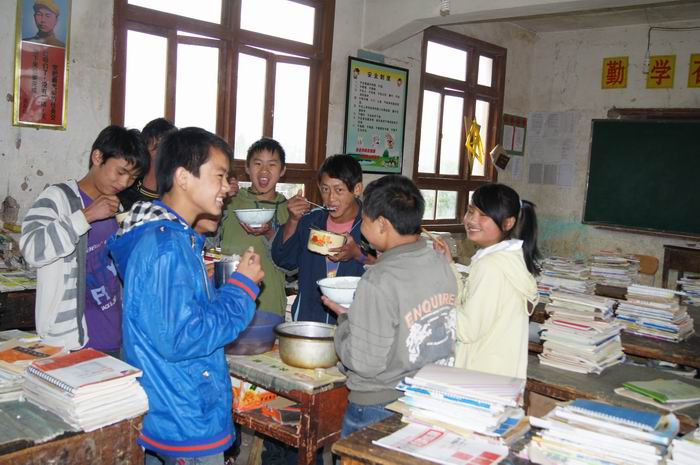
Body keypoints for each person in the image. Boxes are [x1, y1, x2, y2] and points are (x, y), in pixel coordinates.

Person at [108, 127, 264, 465]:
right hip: (184, 415)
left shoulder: (175, 238)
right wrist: (241, 289)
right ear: (182, 178)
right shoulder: (167, 246)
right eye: (219, 175)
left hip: (170, 406)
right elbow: (184, 337)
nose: (227, 187)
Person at [323, 175, 457, 437]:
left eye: (365, 220)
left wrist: (346, 323)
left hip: (378, 405)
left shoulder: (379, 279)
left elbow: (364, 362)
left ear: (382, 224)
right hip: (428, 398)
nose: (362, 227)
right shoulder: (440, 262)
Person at [20, 126, 148, 353]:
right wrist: (86, 216)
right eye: (120, 172)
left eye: (132, 178)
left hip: (116, 337)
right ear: (97, 157)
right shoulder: (58, 198)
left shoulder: (118, 207)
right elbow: (32, 249)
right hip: (70, 343)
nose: (124, 183)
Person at [434, 183, 540, 379]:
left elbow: (466, 330)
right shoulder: (509, 259)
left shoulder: (490, 267)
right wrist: (449, 264)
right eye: (470, 211)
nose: (471, 220)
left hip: (480, 378)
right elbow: (469, 301)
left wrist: (435, 303)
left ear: (507, 223)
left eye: (483, 215)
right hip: (499, 375)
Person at [272, 154, 369, 324]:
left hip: (355, 324)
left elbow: (387, 269)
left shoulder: (371, 225)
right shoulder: (311, 221)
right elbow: (283, 260)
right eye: (325, 189)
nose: (330, 198)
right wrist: (293, 220)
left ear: (357, 189)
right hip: (309, 320)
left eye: (339, 190)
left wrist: (357, 255)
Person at [219, 138, 289, 316]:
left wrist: (273, 232)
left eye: (272, 164)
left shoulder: (288, 210)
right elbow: (208, 242)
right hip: (229, 304)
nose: (264, 170)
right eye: (258, 164)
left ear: (282, 170)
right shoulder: (231, 202)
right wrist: (222, 200)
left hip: (271, 305)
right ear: (247, 168)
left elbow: (292, 266)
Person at [118, 118, 177, 211]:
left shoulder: (177, 195)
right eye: (157, 147)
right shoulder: (125, 189)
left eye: (168, 148)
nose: (162, 154)